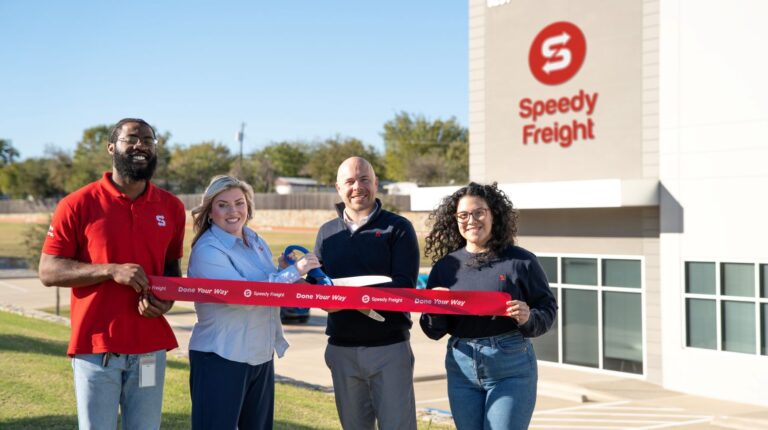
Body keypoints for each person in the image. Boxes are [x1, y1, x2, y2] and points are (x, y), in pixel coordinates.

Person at [39, 118, 185, 430]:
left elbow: (171, 272)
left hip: (149, 351)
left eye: (148, 139)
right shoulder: (77, 204)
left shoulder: (171, 207)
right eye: (132, 138)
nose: (141, 145)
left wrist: (165, 302)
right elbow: (49, 270)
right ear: (111, 147)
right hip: (96, 349)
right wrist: (109, 270)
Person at [186, 175, 321, 430]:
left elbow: (268, 284)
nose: (233, 211)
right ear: (210, 212)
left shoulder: (256, 241)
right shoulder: (207, 251)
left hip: (260, 356)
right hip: (221, 356)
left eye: (239, 202)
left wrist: (282, 269)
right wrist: (295, 271)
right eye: (223, 205)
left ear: (248, 205)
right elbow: (245, 297)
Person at [419, 182, 557, 430]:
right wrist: (435, 310)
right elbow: (433, 330)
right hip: (461, 365)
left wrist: (528, 317)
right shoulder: (445, 267)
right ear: (455, 219)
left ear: (494, 214)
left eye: (478, 212)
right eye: (463, 215)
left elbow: (547, 310)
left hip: (511, 365)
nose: (471, 220)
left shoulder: (521, 261)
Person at [314, 156, 420, 430]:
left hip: (389, 348)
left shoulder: (398, 228)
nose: (357, 187)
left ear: (375, 183)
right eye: (349, 181)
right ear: (338, 188)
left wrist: (346, 299)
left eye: (364, 179)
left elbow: (404, 286)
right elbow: (319, 286)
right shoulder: (326, 233)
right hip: (341, 349)